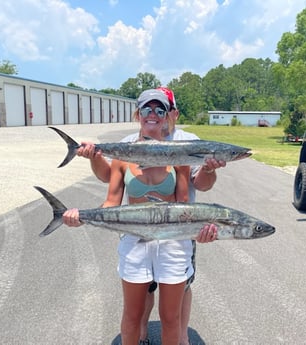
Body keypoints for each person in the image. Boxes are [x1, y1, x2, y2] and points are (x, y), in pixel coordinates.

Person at [76, 87, 225, 345]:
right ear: (138, 114)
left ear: (169, 115)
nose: (153, 114)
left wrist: (198, 231)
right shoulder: (125, 151)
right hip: (134, 239)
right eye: (147, 109)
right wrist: (81, 215)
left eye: (159, 110)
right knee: (132, 316)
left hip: (172, 243)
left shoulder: (181, 151)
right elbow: (111, 199)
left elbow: (185, 203)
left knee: (171, 318)